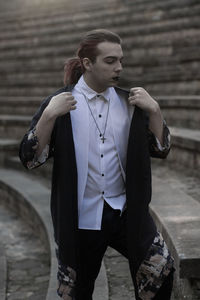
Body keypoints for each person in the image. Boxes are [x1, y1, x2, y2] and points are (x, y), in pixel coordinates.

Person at [19, 29, 174, 300]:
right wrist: (48, 116)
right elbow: (30, 159)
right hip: (81, 215)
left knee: (160, 271)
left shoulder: (131, 103)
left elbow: (161, 149)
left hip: (126, 212)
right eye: (110, 61)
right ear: (87, 63)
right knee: (77, 292)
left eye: (121, 60)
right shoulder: (60, 104)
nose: (119, 68)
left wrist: (155, 111)